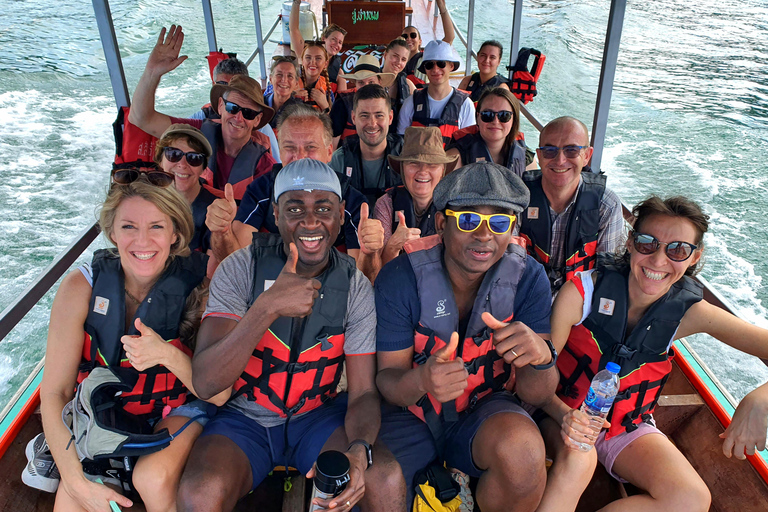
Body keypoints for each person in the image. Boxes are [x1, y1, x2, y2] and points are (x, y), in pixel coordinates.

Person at [176, 158, 402, 512]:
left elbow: (362, 392)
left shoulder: (355, 287)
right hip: (244, 418)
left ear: (342, 216)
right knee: (200, 492)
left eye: (323, 208)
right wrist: (265, 308)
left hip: (318, 416)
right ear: (277, 215)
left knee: (384, 477)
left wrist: (359, 449)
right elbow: (205, 382)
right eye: (294, 208)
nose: (310, 221)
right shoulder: (240, 268)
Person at [538, 195, 768, 512]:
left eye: (677, 249)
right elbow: (537, 377)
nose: (659, 260)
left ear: (693, 257)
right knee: (580, 455)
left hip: (626, 426)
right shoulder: (582, 293)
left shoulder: (691, 312)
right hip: (560, 414)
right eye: (648, 243)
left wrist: (759, 399)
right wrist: (565, 416)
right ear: (631, 243)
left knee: (692, 499)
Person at [35, 176, 229, 512]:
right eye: (128, 227)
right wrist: (77, 483)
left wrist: (166, 354)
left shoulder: (200, 287)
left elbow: (219, 393)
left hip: (174, 410)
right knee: (70, 499)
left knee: (152, 478)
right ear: (112, 233)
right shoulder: (80, 288)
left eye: (156, 226)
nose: (142, 241)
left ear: (175, 234)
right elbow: (54, 393)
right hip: (103, 414)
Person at [374, 162, 558, 511]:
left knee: (526, 456)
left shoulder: (529, 278)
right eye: (469, 220)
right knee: (379, 481)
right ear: (443, 224)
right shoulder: (400, 278)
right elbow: (387, 380)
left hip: (485, 409)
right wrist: (423, 378)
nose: (484, 235)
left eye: (499, 223)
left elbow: (538, 392)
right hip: (409, 413)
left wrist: (541, 356)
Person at [205, 103, 367, 267]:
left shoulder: (351, 202)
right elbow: (237, 262)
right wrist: (222, 232)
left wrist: (372, 252)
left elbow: (360, 275)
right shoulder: (261, 190)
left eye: (310, 147)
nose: (300, 157)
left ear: (329, 152)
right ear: (280, 151)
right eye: (290, 147)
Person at [129, 26, 276, 200]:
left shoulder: (265, 164)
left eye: (248, 113)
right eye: (232, 108)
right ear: (220, 106)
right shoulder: (198, 130)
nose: (238, 118)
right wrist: (152, 73)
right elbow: (140, 118)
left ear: (258, 120)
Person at [518, 116, 623, 294]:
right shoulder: (518, 197)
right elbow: (506, 263)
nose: (560, 160)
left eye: (572, 150)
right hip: (524, 294)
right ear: (540, 155)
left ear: (587, 155)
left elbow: (607, 275)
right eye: (550, 150)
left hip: (579, 304)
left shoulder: (607, 205)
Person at [374, 126, 456, 267]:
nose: (423, 171)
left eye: (432, 164)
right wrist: (393, 246)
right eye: (413, 163)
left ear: (442, 170)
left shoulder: (456, 207)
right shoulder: (386, 204)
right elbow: (378, 271)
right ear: (402, 168)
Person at [189, 57, 281, 163]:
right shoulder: (202, 117)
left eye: (236, 87)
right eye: (223, 85)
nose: (229, 92)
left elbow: (276, 165)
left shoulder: (261, 128)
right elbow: (170, 133)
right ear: (214, 84)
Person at [330, 84, 402, 204]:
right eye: (364, 116)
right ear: (353, 118)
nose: (372, 124)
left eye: (379, 115)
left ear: (390, 118)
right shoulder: (338, 161)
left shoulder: (405, 158)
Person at [154, 125, 216, 266]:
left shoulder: (214, 212)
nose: (182, 164)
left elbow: (210, 274)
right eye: (173, 154)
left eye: (194, 158)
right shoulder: (144, 203)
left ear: (203, 168)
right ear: (160, 161)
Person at [397, 40, 476, 146]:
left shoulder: (466, 105)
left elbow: (468, 146)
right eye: (429, 65)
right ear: (425, 69)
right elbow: (401, 141)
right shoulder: (411, 102)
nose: (435, 69)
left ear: (451, 66)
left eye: (441, 64)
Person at [446, 87, 527, 176]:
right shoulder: (456, 156)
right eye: (487, 115)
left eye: (504, 115)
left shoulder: (525, 157)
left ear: (514, 120)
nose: (495, 121)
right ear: (478, 118)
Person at [331, 55, 395, 147]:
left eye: (371, 82)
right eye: (361, 82)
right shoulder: (342, 103)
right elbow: (332, 144)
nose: (366, 87)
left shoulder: (387, 103)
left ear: (379, 82)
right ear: (355, 83)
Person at [290, 0, 347, 92]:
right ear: (324, 39)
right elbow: (294, 30)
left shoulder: (339, 73)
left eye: (340, 42)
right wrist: (296, 3)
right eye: (334, 39)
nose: (337, 44)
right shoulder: (305, 52)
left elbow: (342, 102)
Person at [401, 0, 456, 85]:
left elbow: (450, 38)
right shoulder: (398, 61)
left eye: (413, 35)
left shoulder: (427, 58)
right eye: (405, 36)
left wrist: (443, 9)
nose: (408, 39)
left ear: (420, 41)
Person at [380, 38, 417, 131]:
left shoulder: (409, 85)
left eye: (403, 59)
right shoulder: (371, 81)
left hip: (398, 139)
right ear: (385, 55)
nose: (399, 62)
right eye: (395, 56)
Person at [264, 56, 302, 136]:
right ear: (271, 79)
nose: (284, 80)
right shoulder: (259, 104)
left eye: (290, 76)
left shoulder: (300, 112)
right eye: (279, 75)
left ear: (296, 83)